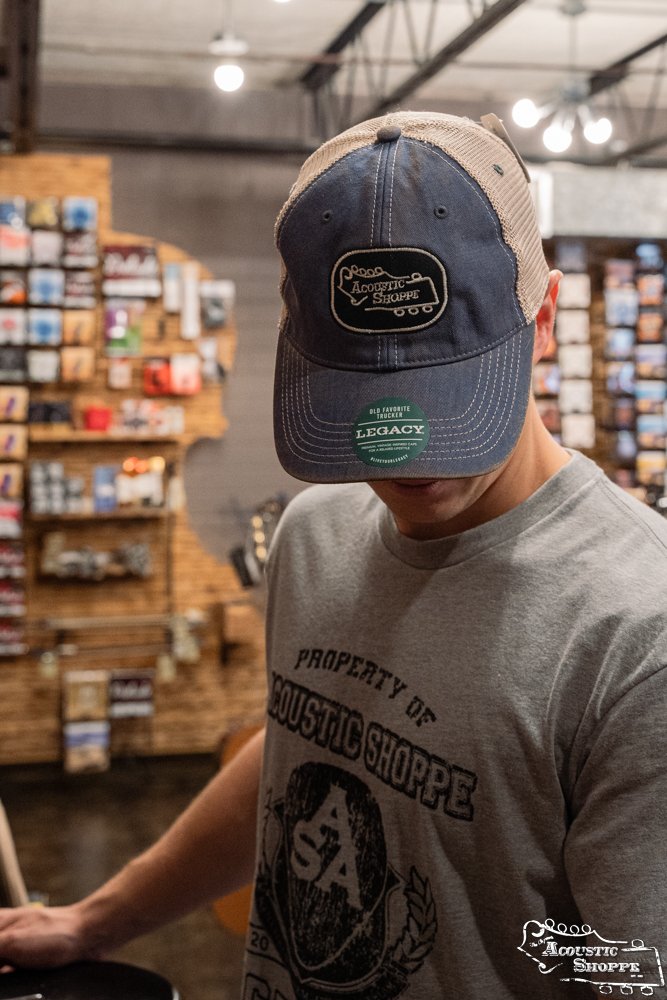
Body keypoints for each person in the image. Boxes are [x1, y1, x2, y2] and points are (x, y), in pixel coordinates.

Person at [0, 111, 666, 1000]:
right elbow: (300, 747)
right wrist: (99, 919)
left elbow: (636, 966)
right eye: (363, 397)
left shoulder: (637, 632)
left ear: (541, 320)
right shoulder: (316, 536)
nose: (406, 455)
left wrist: (512, 943)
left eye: (447, 396)